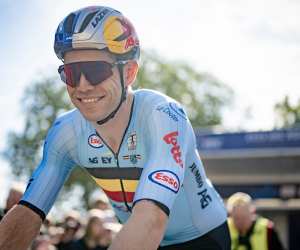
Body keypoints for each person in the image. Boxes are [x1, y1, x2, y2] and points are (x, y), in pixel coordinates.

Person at [0, 6, 230, 250]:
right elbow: (28, 210)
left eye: (95, 71)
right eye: (71, 73)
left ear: (129, 72)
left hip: (201, 237)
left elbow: (151, 218)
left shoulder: (162, 114)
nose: (83, 86)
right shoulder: (65, 131)